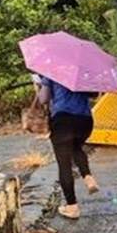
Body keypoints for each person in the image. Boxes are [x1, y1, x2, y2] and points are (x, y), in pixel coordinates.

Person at [35, 74, 99, 219]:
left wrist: (42, 85)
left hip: (63, 120)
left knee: (64, 164)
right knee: (76, 147)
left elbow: (43, 99)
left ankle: (72, 207)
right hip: (85, 120)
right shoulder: (84, 73)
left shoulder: (52, 72)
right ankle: (88, 177)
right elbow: (94, 94)